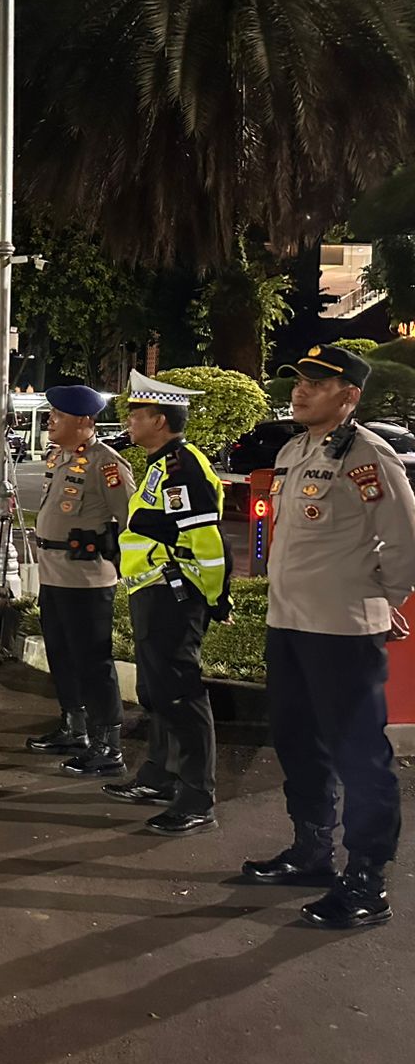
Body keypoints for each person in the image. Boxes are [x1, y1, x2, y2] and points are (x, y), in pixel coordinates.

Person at [240, 345, 415, 928]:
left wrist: (378, 600)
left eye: (318, 382)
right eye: (299, 380)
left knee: (360, 755)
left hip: (341, 632)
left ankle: (367, 880)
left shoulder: (370, 457)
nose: (301, 389)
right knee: (297, 741)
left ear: (349, 397)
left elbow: (405, 544)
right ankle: (312, 850)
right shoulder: (294, 450)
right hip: (288, 624)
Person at [106, 369, 230, 835]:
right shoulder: (162, 463)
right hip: (152, 590)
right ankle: (159, 776)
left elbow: (206, 539)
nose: (131, 420)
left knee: (181, 693)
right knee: (156, 691)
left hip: (175, 592)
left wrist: (217, 597)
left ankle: (197, 796)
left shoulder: (183, 465)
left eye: (137, 412)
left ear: (159, 419)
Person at [25, 384, 135, 774]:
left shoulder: (107, 464)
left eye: (59, 415)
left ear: (84, 421)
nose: (51, 420)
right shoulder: (60, 457)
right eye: (52, 413)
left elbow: (131, 522)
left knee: (93, 661)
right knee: (62, 653)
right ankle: (74, 727)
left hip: (88, 579)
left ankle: (109, 744)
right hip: (55, 575)